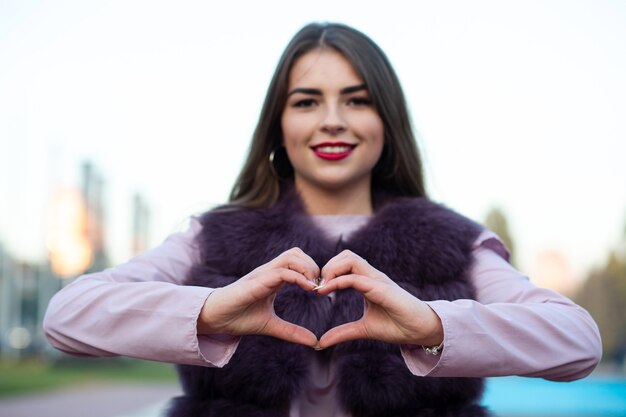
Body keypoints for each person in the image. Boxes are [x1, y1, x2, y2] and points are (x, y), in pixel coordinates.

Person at [43, 22, 602, 417]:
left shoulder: (456, 241)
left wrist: (432, 325)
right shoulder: (208, 236)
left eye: (357, 100)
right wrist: (213, 310)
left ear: (387, 120)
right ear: (278, 125)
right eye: (307, 101)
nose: (332, 121)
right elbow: (67, 318)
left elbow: (577, 341)